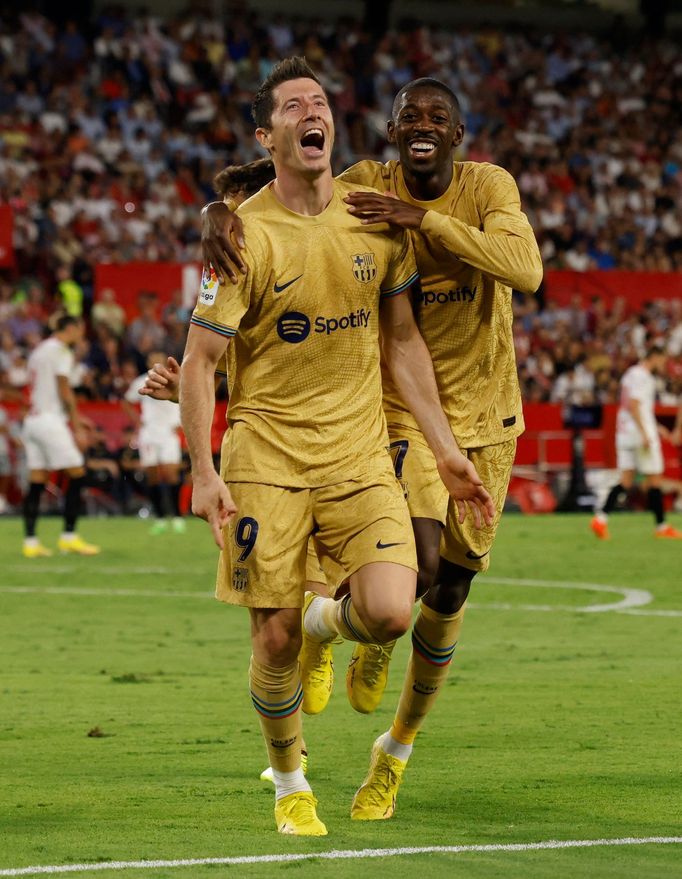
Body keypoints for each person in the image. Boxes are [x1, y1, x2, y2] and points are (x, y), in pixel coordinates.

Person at [201, 75, 542, 819]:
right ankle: (345, 633)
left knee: (450, 592)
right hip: (398, 411)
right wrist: (215, 213)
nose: (423, 125)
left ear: (458, 134)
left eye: (438, 117)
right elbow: (282, 190)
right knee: (412, 572)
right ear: (388, 131)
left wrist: (421, 220)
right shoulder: (362, 182)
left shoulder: (488, 188)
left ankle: (393, 750)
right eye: (408, 116)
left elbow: (526, 271)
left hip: (487, 418)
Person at [21, 314, 100, 557]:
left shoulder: (39, 351)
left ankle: (31, 543)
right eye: (80, 329)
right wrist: (76, 426)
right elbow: (64, 390)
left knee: (37, 479)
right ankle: (69, 536)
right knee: (77, 474)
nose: (81, 335)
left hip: (33, 421)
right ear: (72, 328)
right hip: (49, 421)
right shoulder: (62, 352)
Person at [591, 346, 682, 540]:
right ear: (654, 357)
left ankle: (600, 519)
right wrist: (646, 433)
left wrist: (657, 427)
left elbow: (634, 407)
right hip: (639, 434)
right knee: (655, 479)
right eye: (662, 361)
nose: (663, 365)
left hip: (623, 433)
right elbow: (634, 405)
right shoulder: (644, 377)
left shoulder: (630, 374)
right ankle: (662, 526)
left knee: (626, 480)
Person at [123, 351, 185, 534]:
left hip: (168, 433)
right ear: (149, 362)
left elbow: (187, 400)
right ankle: (159, 518)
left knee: (171, 473)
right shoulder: (142, 380)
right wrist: (137, 421)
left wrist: (181, 423)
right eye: (152, 360)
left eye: (158, 359)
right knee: (152, 476)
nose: (155, 362)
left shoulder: (175, 379)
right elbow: (126, 402)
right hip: (149, 433)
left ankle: (177, 517)